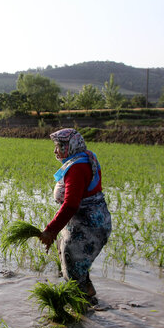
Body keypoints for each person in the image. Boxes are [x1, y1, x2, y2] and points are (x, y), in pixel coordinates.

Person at [38, 128, 112, 305]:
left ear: (70, 146)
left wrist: (51, 230)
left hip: (88, 225)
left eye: (59, 146)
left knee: (74, 268)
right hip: (88, 221)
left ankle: (81, 309)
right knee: (77, 265)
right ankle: (87, 297)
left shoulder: (78, 167)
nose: (55, 151)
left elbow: (71, 204)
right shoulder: (83, 158)